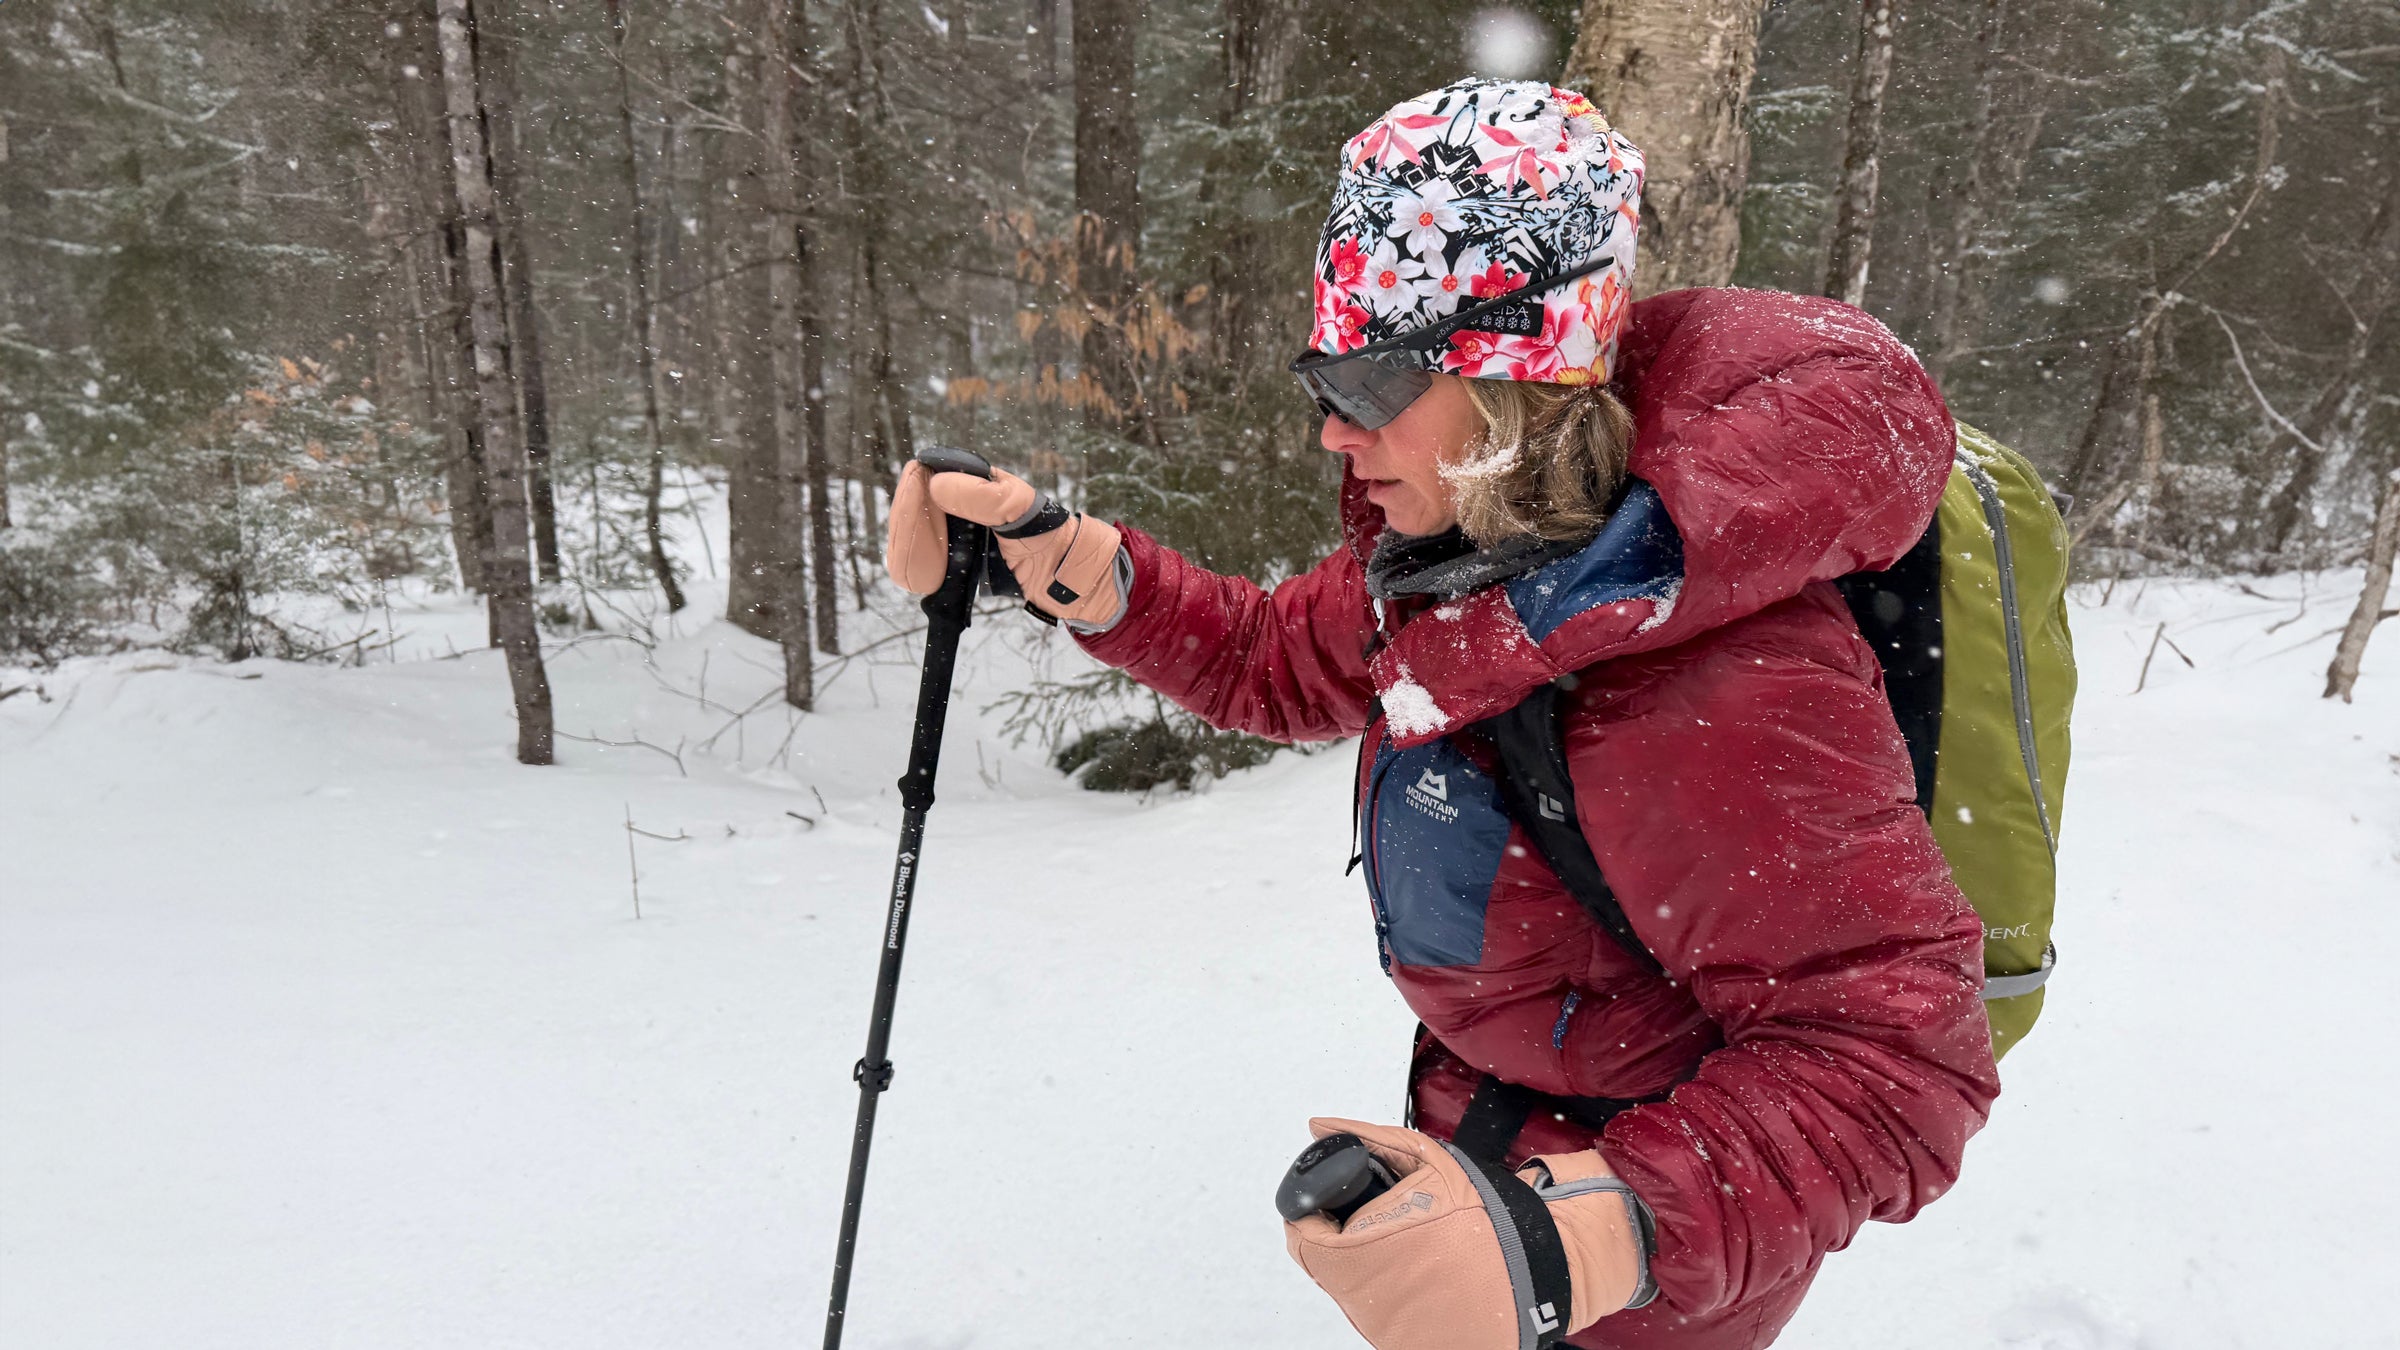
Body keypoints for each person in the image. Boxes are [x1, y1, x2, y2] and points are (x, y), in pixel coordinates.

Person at [885, 79, 1997, 1350]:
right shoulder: (1472, 559)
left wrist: (1579, 1238)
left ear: (1515, 373)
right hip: (1479, 1162)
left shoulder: (1717, 675)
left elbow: (1901, 1061)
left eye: (1365, 378)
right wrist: (1070, 560)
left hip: (1639, 1262)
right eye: (1322, 370)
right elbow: (1272, 660)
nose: (1327, 432)